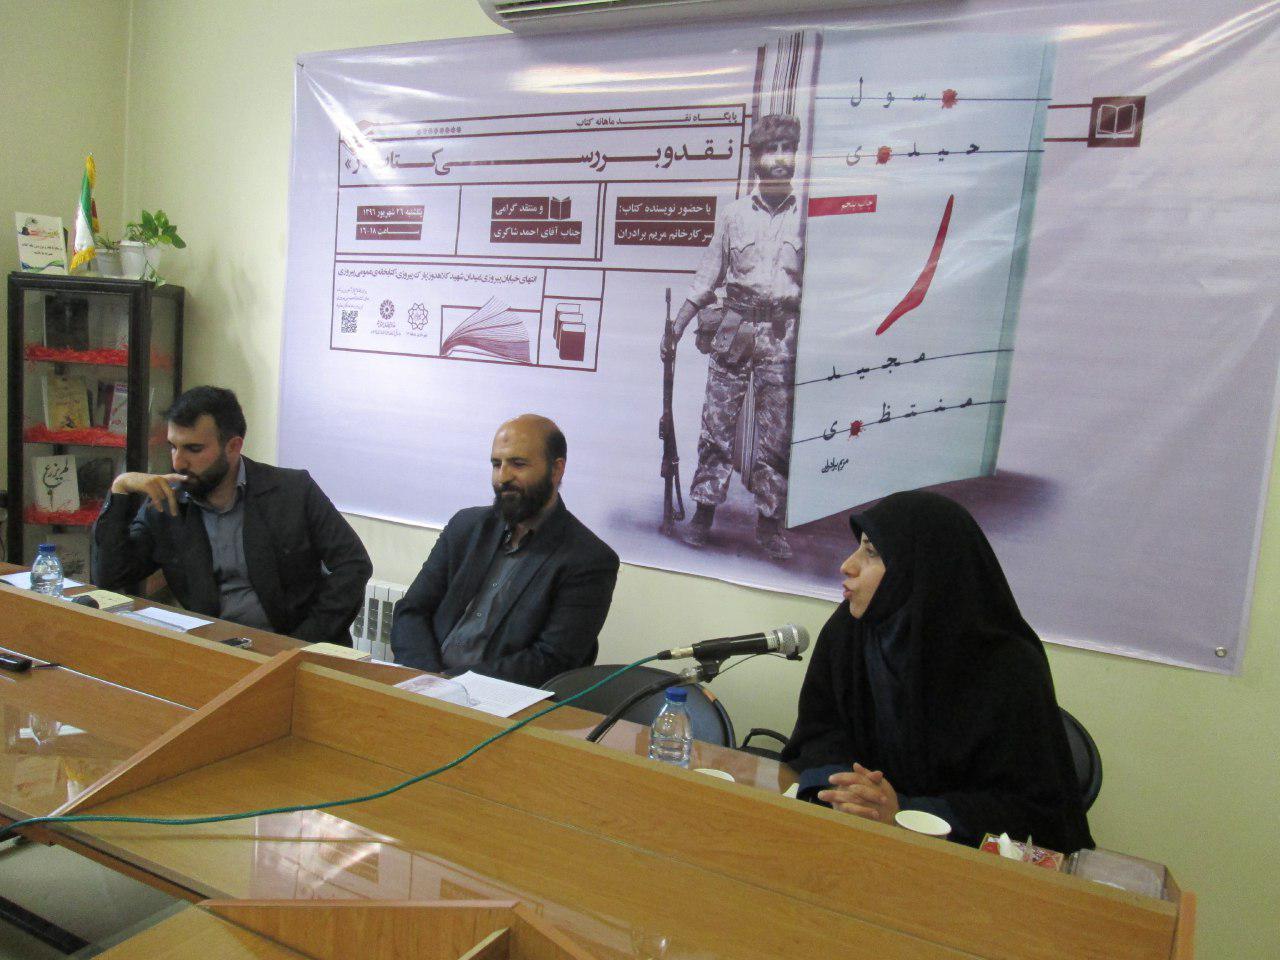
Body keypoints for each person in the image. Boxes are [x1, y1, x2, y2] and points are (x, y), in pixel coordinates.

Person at [781, 490, 1094, 853]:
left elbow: (1032, 810)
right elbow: (819, 735)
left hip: (961, 859)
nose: (848, 565)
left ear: (921, 568)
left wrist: (906, 812)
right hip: (855, 838)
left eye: (872, 552)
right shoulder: (850, 631)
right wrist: (846, 788)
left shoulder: (1007, 664)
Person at [92, 386, 372, 646]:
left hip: (292, 643)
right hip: (215, 648)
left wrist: (303, 642)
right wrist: (121, 488)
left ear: (233, 447)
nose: (178, 462)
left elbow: (353, 565)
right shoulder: (167, 502)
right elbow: (111, 575)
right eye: (173, 446)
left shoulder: (293, 491)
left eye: (194, 449)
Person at [660, 113, 803, 561]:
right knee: (717, 427)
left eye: (787, 148)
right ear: (756, 159)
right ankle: (703, 513)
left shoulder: (808, 217)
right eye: (770, 149)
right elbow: (707, 277)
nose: (779, 158)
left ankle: (770, 524)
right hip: (735, 328)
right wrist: (678, 326)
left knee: (776, 435)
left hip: (782, 334)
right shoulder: (734, 215)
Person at [390, 414, 619, 687]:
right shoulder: (466, 526)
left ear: (556, 469)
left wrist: (452, 685)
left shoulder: (588, 559)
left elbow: (552, 660)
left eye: (518, 464)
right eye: (496, 464)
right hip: (422, 681)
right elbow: (412, 610)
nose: (503, 477)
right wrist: (427, 678)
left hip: (499, 700)